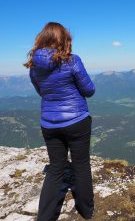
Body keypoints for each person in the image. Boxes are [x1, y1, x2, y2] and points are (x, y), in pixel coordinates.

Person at [24, 22, 95, 221]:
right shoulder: (72, 61)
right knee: (81, 165)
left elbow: (42, 92)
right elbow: (89, 90)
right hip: (77, 121)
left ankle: (45, 217)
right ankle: (86, 211)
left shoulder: (33, 68)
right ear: (63, 40)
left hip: (49, 123)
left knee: (56, 168)